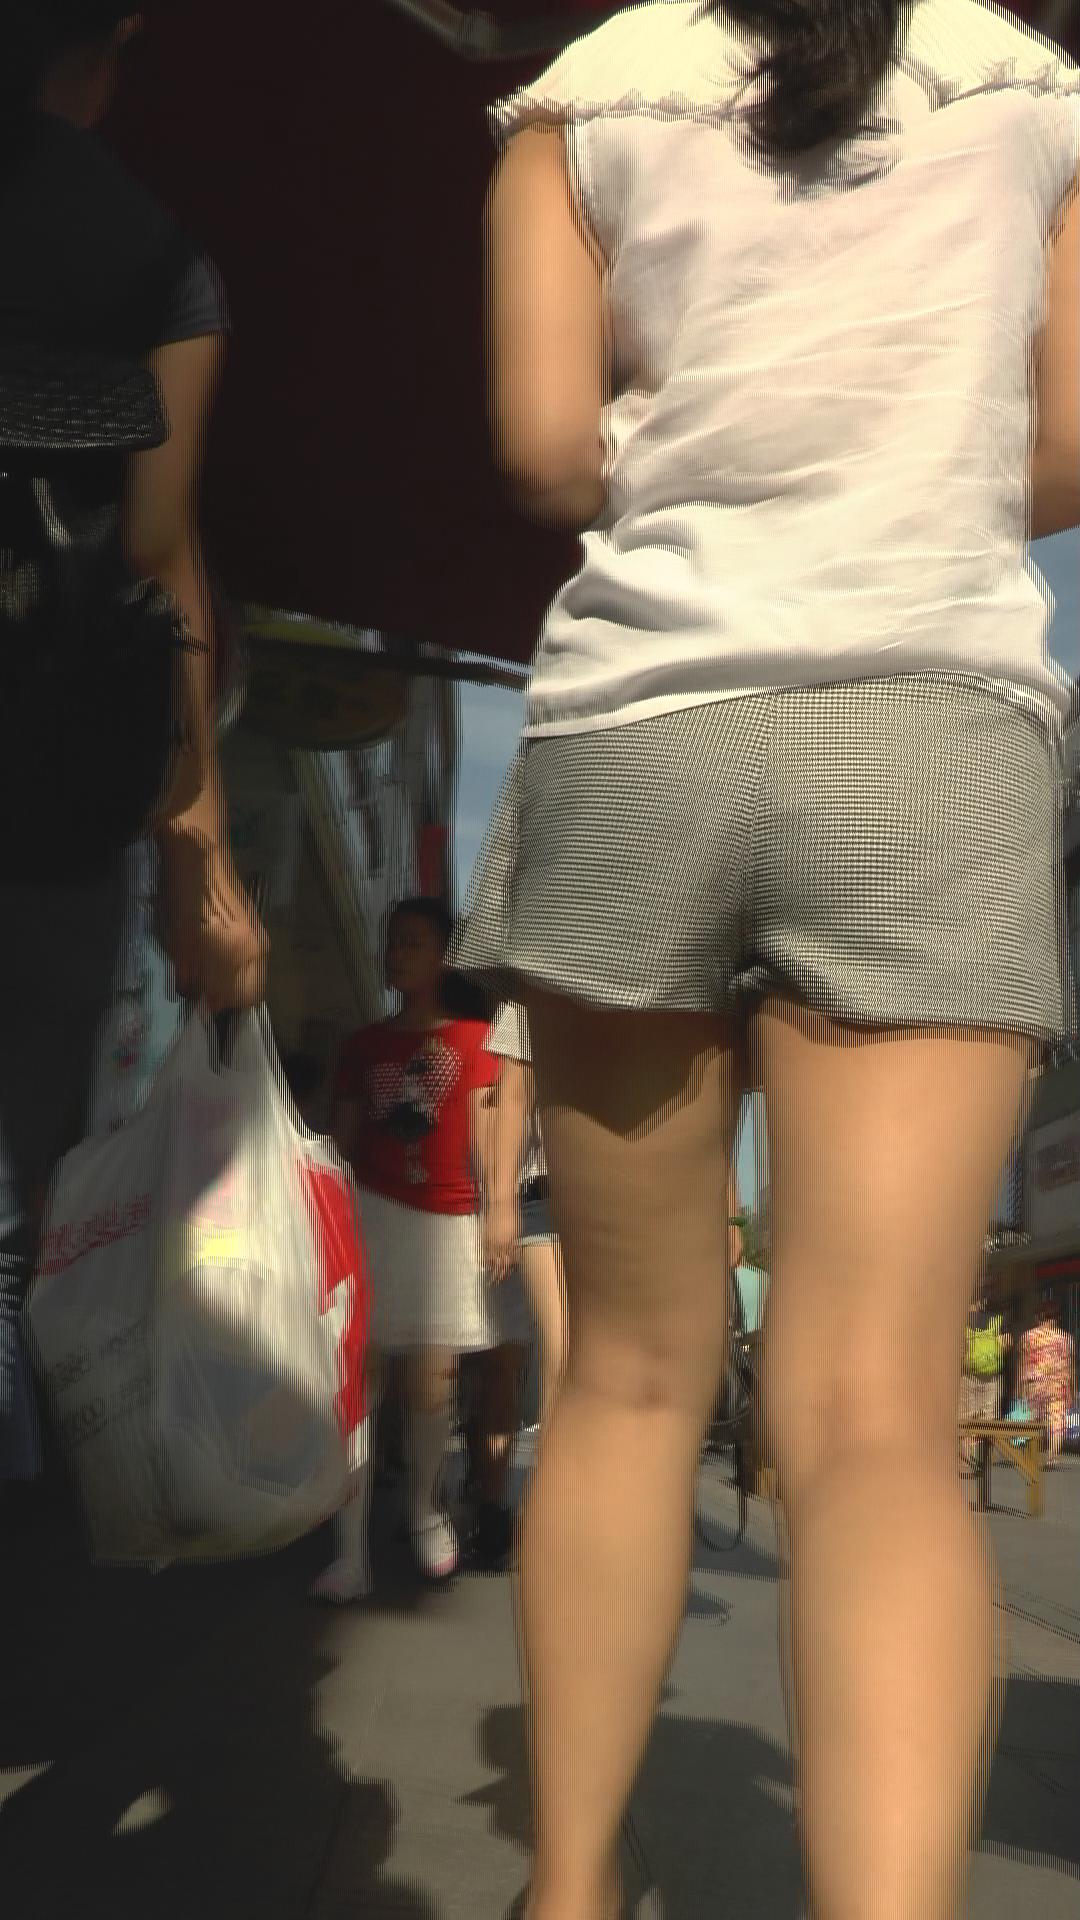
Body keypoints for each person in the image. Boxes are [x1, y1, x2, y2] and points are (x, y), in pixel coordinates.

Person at [448, 3, 1080, 1916]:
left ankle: (569, 1887)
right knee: (876, 1411)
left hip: (642, 722)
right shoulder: (1043, 96)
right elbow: (1065, 447)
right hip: (930, 714)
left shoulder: (578, 96)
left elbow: (541, 451)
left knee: (634, 1376)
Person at [0, 1, 265, 1505]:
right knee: (18, 1165)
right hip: (50, 772)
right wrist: (196, 845)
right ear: (99, 56)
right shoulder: (157, 257)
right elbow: (162, 557)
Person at [321, 897, 499, 1591]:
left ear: (444, 956)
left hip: (447, 1219)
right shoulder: (363, 1045)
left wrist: (498, 1213)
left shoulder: (476, 1040)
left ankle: (426, 1510)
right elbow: (341, 1141)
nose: (399, 954)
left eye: (415, 942)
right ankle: (348, 1553)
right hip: (371, 1213)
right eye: (394, 941)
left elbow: (483, 1137)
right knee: (358, 1378)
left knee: (431, 1378)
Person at [476, 1000, 569, 1569]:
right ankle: (553, 1518)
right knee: (562, 1355)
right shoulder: (526, 994)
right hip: (543, 1193)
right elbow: (511, 1096)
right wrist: (500, 1205)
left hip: (616, 1195)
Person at [1020, 1297, 1078, 1468]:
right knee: (1056, 1423)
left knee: (1033, 1421)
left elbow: (1023, 1363)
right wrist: (1072, 1390)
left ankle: (1030, 1456)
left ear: (1039, 1316)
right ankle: (1052, 1457)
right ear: (1057, 1318)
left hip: (1035, 1385)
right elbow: (1070, 1367)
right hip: (1058, 1386)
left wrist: (1020, 1388)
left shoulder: (1028, 1337)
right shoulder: (1066, 1339)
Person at [960, 1285, 1010, 1465]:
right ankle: (984, 1459)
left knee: (965, 1418)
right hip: (992, 1377)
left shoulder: (963, 1320)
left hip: (968, 1376)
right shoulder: (999, 1320)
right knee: (989, 1420)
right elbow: (1006, 1344)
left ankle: (966, 1457)